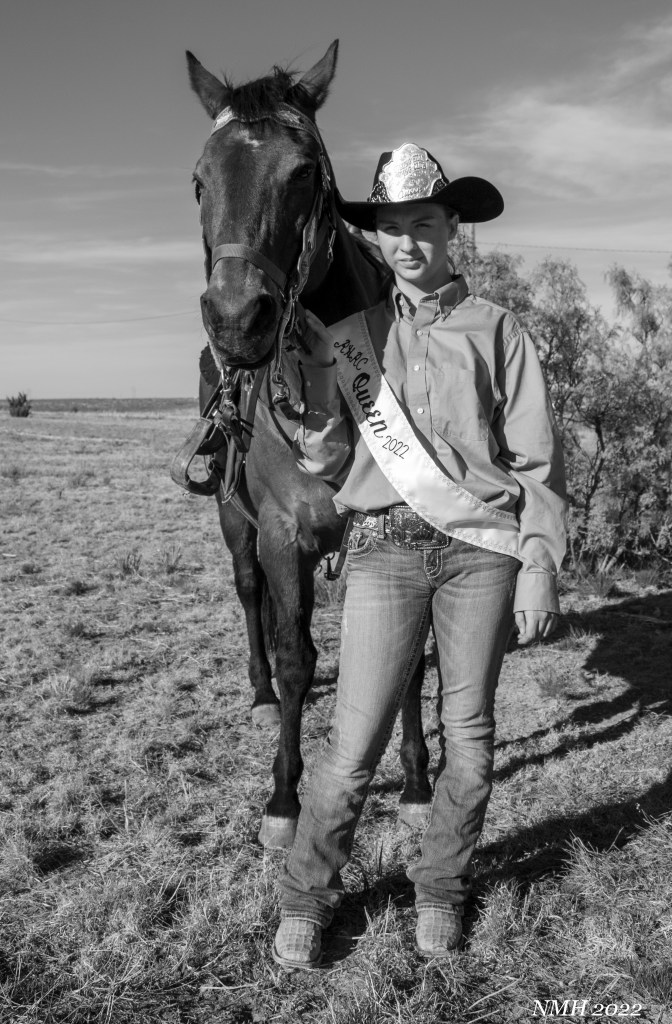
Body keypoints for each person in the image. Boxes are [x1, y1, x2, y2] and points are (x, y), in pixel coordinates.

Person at [272, 143, 567, 968]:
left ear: (452, 229)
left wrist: (539, 568)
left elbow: (537, 462)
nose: (408, 242)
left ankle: (441, 887)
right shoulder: (348, 340)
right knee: (353, 745)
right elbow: (333, 461)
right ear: (378, 237)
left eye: (425, 224)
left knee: (468, 739)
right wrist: (318, 423)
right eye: (392, 228)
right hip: (384, 549)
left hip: (483, 555)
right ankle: (307, 896)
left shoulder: (500, 329)